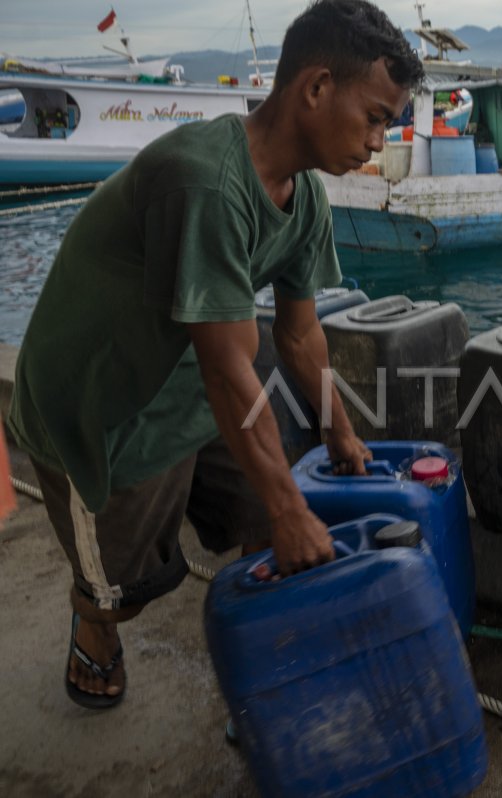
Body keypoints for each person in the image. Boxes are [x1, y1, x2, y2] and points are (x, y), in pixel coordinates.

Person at [4, 0, 424, 710]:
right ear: (316, 88)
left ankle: (271, 677)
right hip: (102, 408)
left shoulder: (305, 197)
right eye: (377, 116)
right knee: (125, 589)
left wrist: (340, 433)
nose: (379, 141)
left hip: (193, 381)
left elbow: (298, 335)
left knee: (273, 519)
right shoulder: (205, 180)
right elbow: (233, 370)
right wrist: (290, 505)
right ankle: (95, 624)